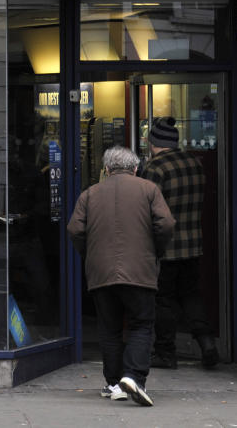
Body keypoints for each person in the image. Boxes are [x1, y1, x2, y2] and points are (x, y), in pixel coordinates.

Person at [68, 146, 175, 407]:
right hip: (140, 270)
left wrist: (90, 254)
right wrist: (155, 251)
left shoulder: (90, 194)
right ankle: (134, 377)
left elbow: (75, 230)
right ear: (136, 168)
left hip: (101, 272)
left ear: (106, 169)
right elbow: (166, 224)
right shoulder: (149, 190)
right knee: (141, 324)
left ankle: (114, 383)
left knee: (110, 329)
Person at [141, 116, 218, 369]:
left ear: (155, 143)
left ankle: (165, 352)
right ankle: (206, 342)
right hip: (193, 243)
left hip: (166, 246)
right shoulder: (193, 163)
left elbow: (147, 208)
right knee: (191, 295)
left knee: (164, 300)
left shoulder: (156, 168)